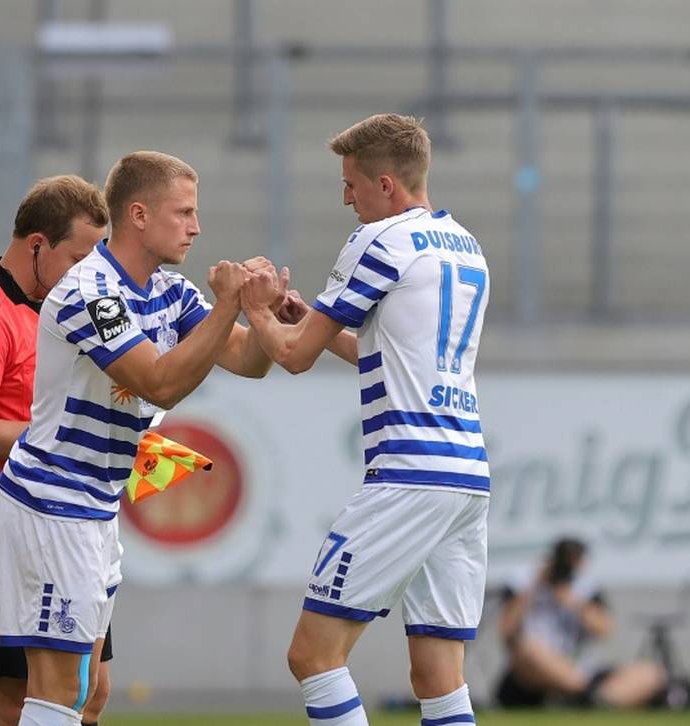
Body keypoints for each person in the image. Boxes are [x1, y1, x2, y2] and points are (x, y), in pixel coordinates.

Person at [0, 151, 285, 726]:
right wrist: (228, 305)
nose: (196, 227)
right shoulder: (91, 291)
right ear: (139, 215)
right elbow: (159, 382)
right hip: (51, 502)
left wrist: (261, 311)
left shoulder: (168, 291)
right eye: (184, 212)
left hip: (96, 506)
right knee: (58, 688)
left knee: (92, 691)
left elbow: (249, 361)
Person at [239, 113, 489, 726]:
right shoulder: (465, 243)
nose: (346, 199)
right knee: (439, 677)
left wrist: (255, 310)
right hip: (465, 476)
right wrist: (313, 323)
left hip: (407, 472)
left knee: (313, 655)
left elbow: (291, 358)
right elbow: (385, 352)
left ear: (385, 185)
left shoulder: (380, 240)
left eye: (351, 184)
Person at [0, 175, 113, 726]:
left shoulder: (59, 307)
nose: (86, 273)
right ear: (37, 244)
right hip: (3, 520)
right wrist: (64, 431)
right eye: (78, 258)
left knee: (89, 690)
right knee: (11, 698)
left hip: (67, 517)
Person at [496, 538, 668, 709]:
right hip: (535, 673)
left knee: (652, 673)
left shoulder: (585, 587)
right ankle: (584, 695)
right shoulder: (523, 582)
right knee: (530, 648)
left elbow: (604, 629)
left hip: (582, 670)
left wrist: (570, 600)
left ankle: (596, 699)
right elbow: (506, 630)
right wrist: (535, 586)